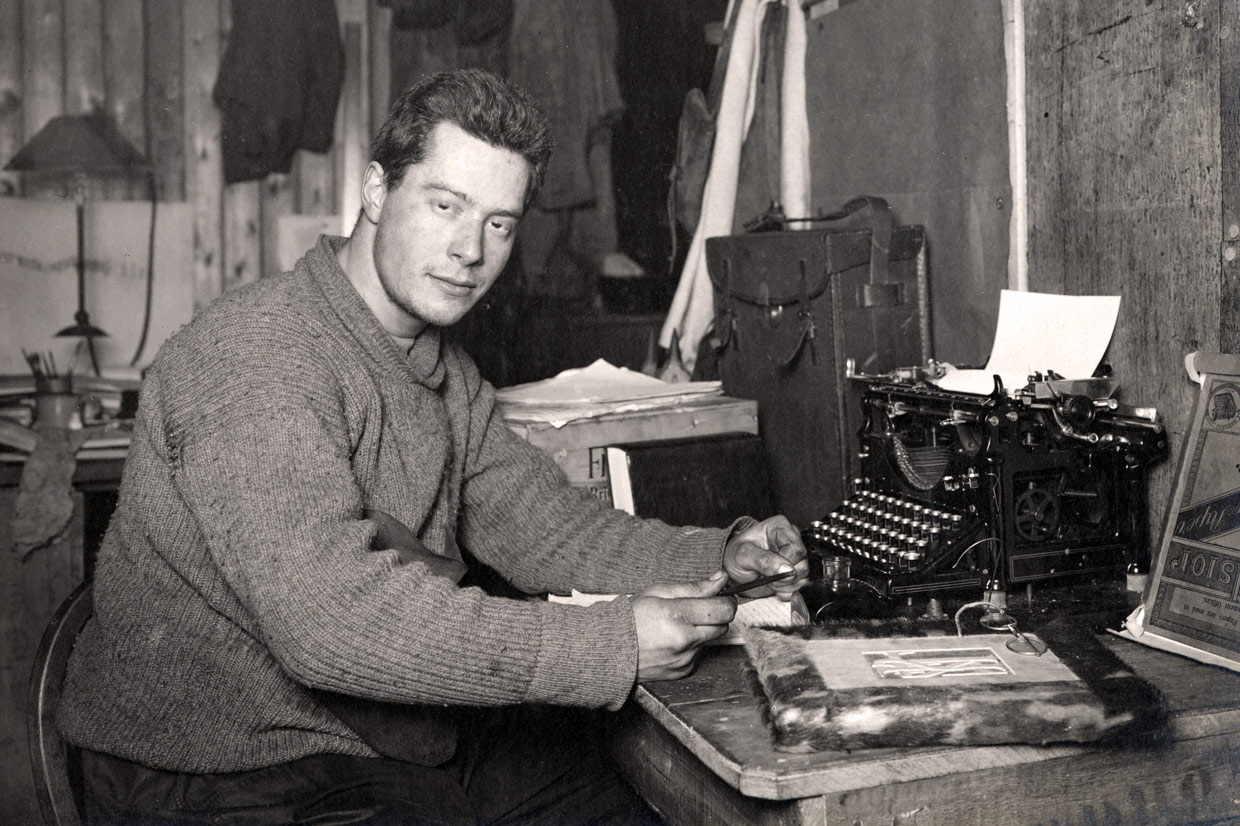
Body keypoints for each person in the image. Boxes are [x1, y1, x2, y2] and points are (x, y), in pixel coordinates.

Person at [59, 68, 809, 825]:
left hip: (375, 733)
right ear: (378, 192)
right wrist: (607, 646)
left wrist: (717, 557)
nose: (468, 250)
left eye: (498, 223)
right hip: (208, 767)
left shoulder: (442, 368)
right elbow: (331, 625)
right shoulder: (259, 354)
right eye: (445, 205)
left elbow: (545, 525)